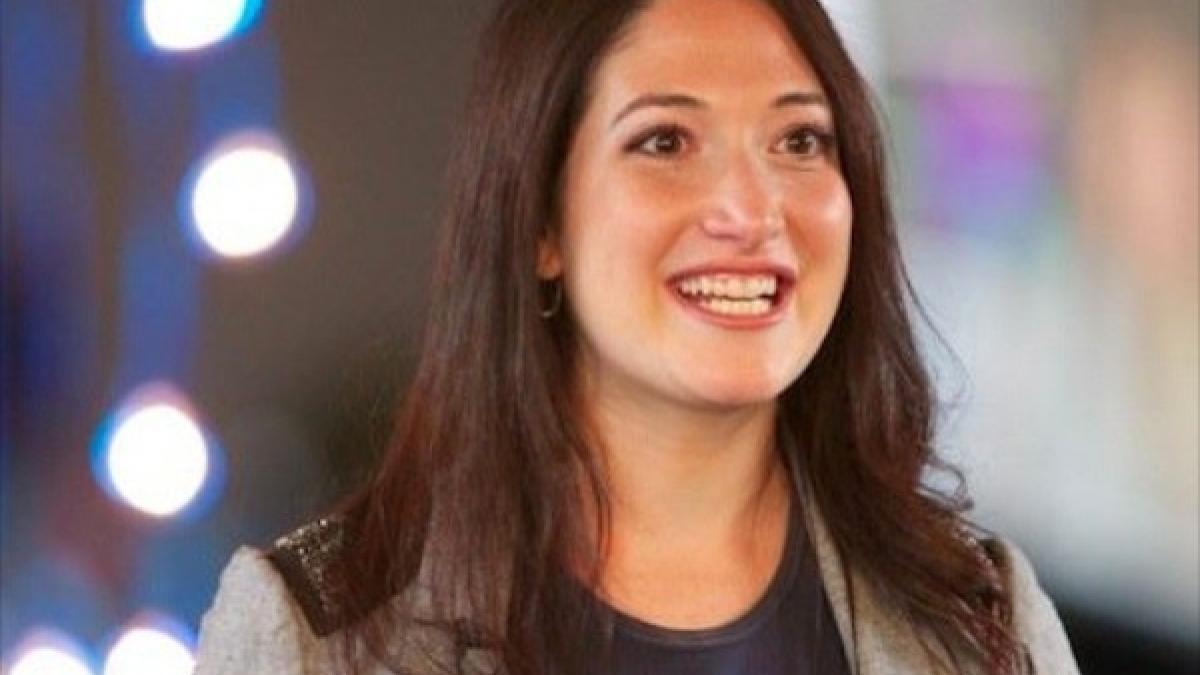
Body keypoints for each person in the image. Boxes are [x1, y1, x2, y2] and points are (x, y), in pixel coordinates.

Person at [194, 0, 1081, 673]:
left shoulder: (985, 618)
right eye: (665, 142)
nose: (752, 210)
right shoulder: (316, 632)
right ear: (540, 222)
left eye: (800, 140)